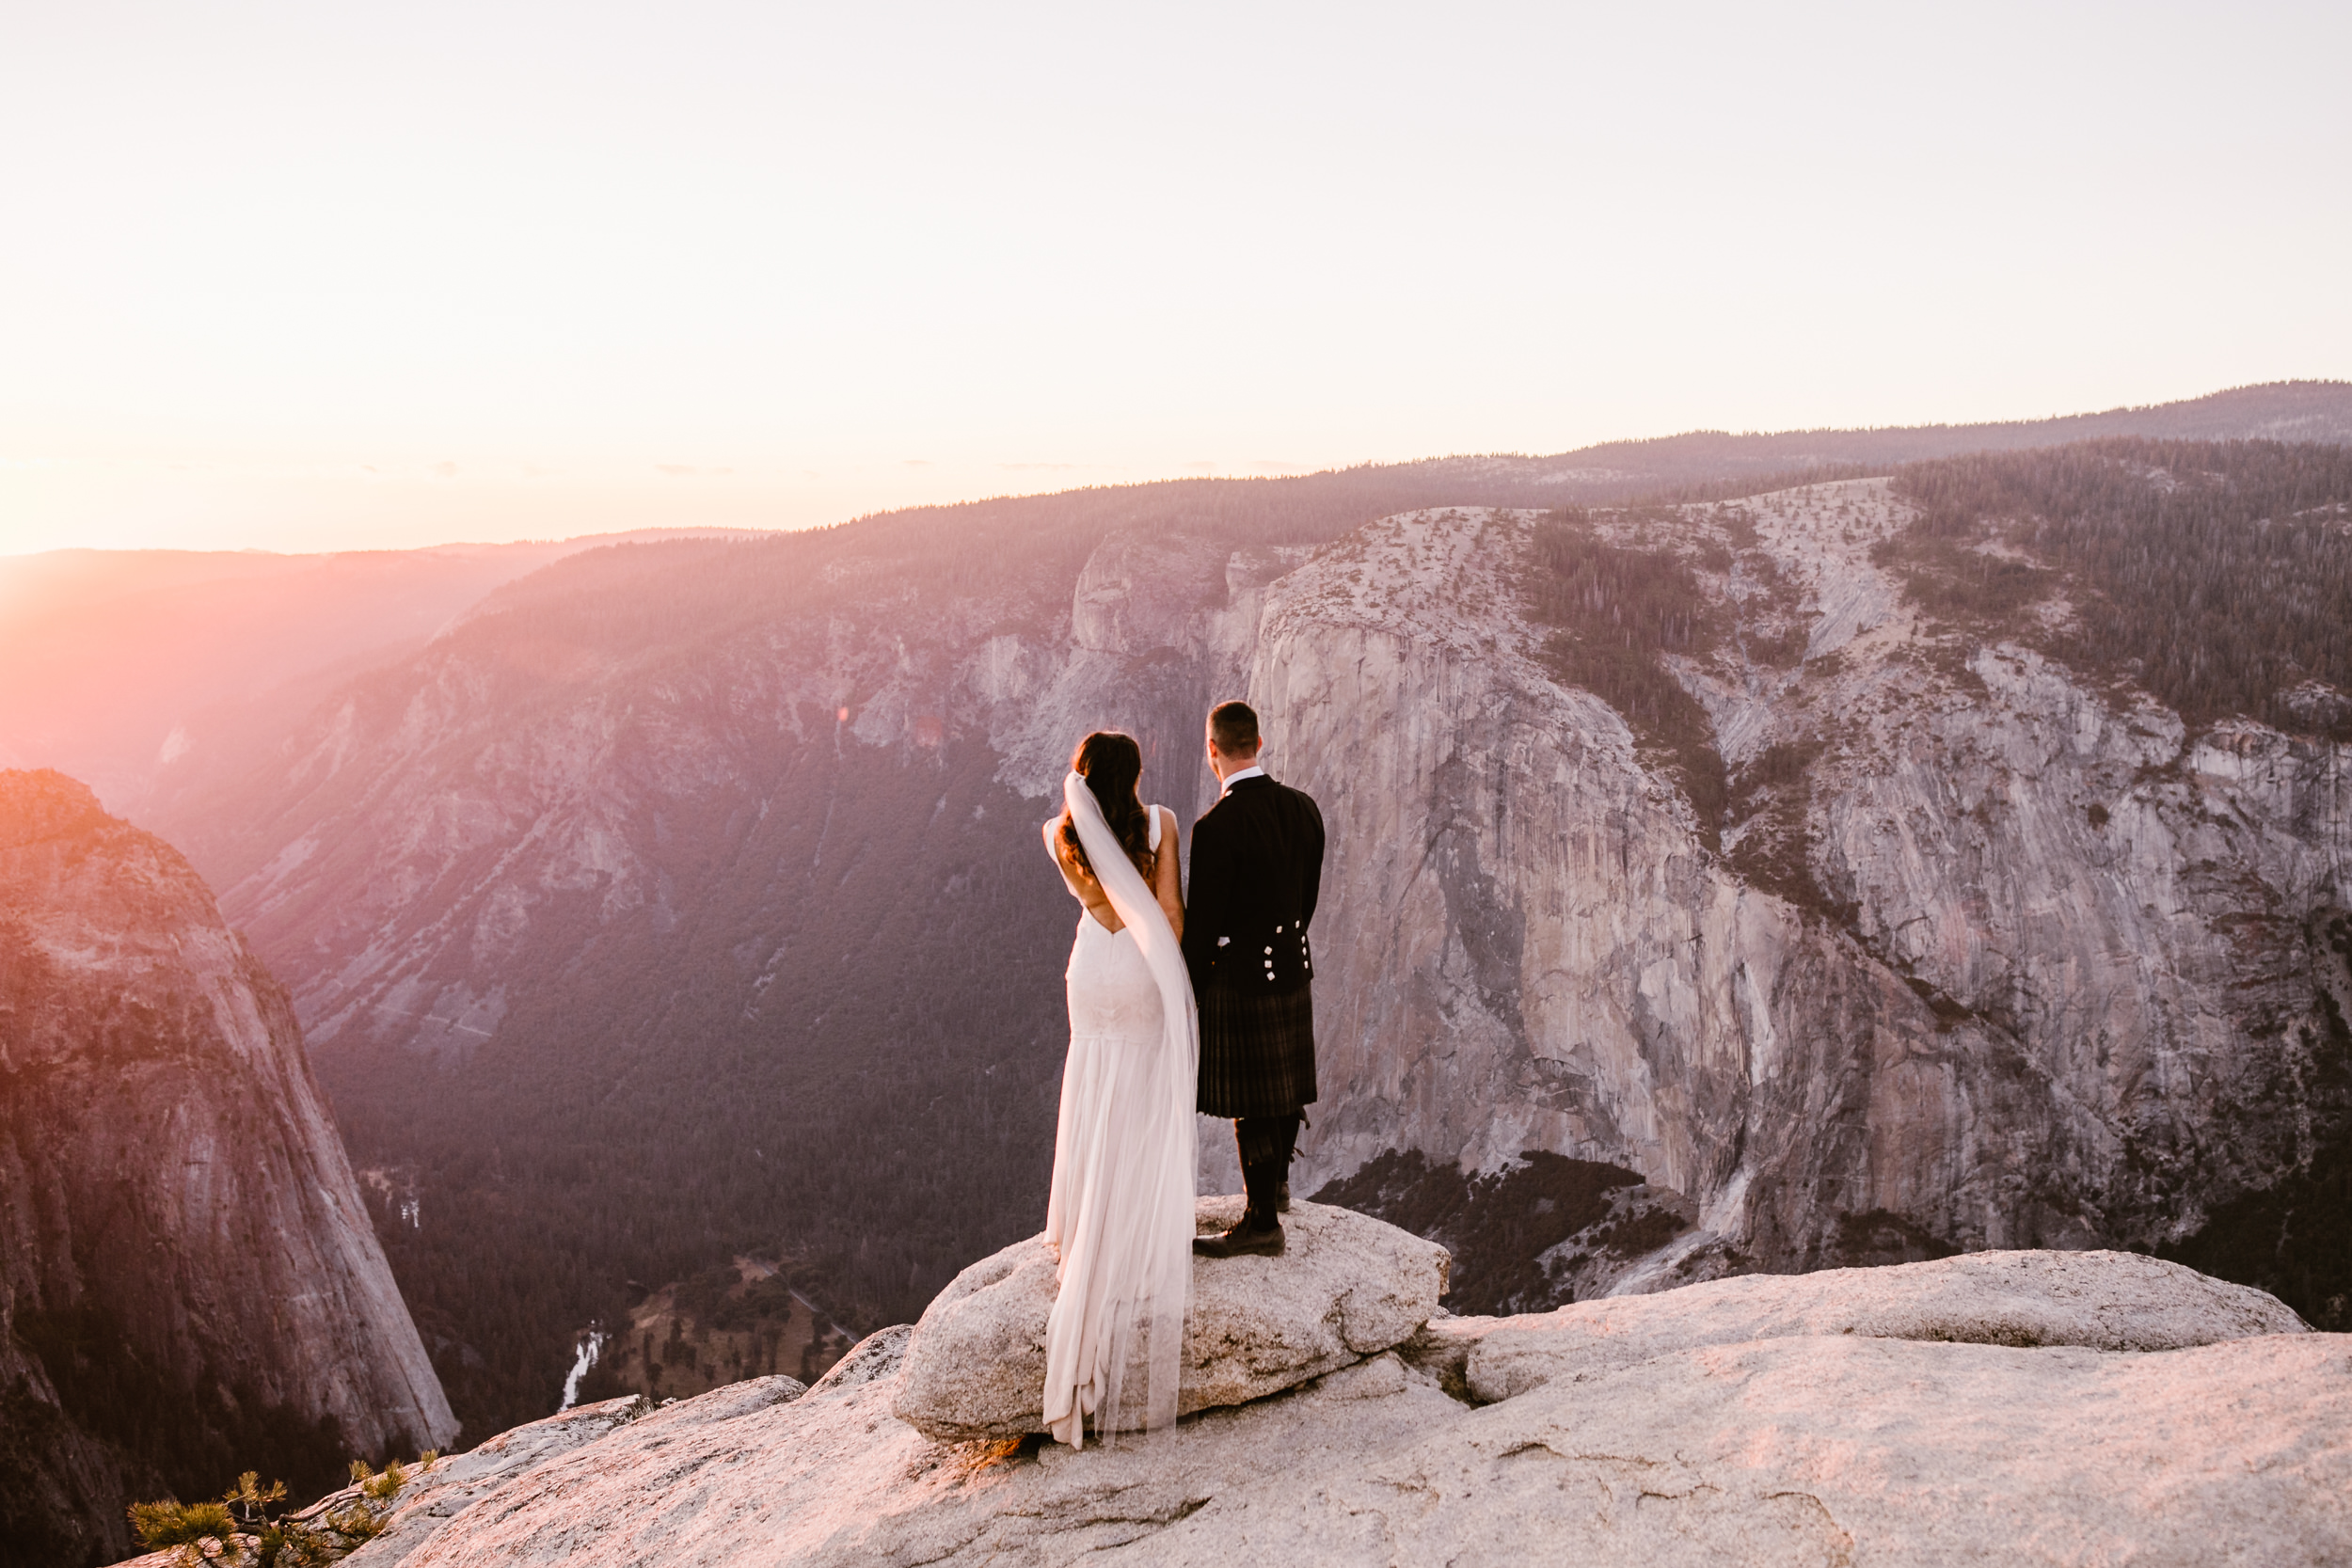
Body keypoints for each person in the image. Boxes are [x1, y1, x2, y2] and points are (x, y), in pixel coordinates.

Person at [1038, 731, 1198, 1448]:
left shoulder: (1058, 832)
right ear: (1135, 775)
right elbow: (1168, 916)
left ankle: (1081, 1226)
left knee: (1092, 1076)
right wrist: (1170, 979)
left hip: (1090, 973)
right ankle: (1127, 1223)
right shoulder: (1160, 823)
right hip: (1138, 969)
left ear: (1080, 776)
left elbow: (1097, 905)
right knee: (1135, 1087)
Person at [1184, 700, 1325, 1259]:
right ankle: (1279, 1188)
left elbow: (1203, 927)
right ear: (1259, 744)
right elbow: (1307, 897)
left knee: (1252, 1098)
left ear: (1211, 750)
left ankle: (1262, 1221)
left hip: (1243, 977)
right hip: (1294, 963)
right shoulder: (1304, 807)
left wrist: (1187, 991)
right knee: (1284, 1085)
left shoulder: (1216, 827)